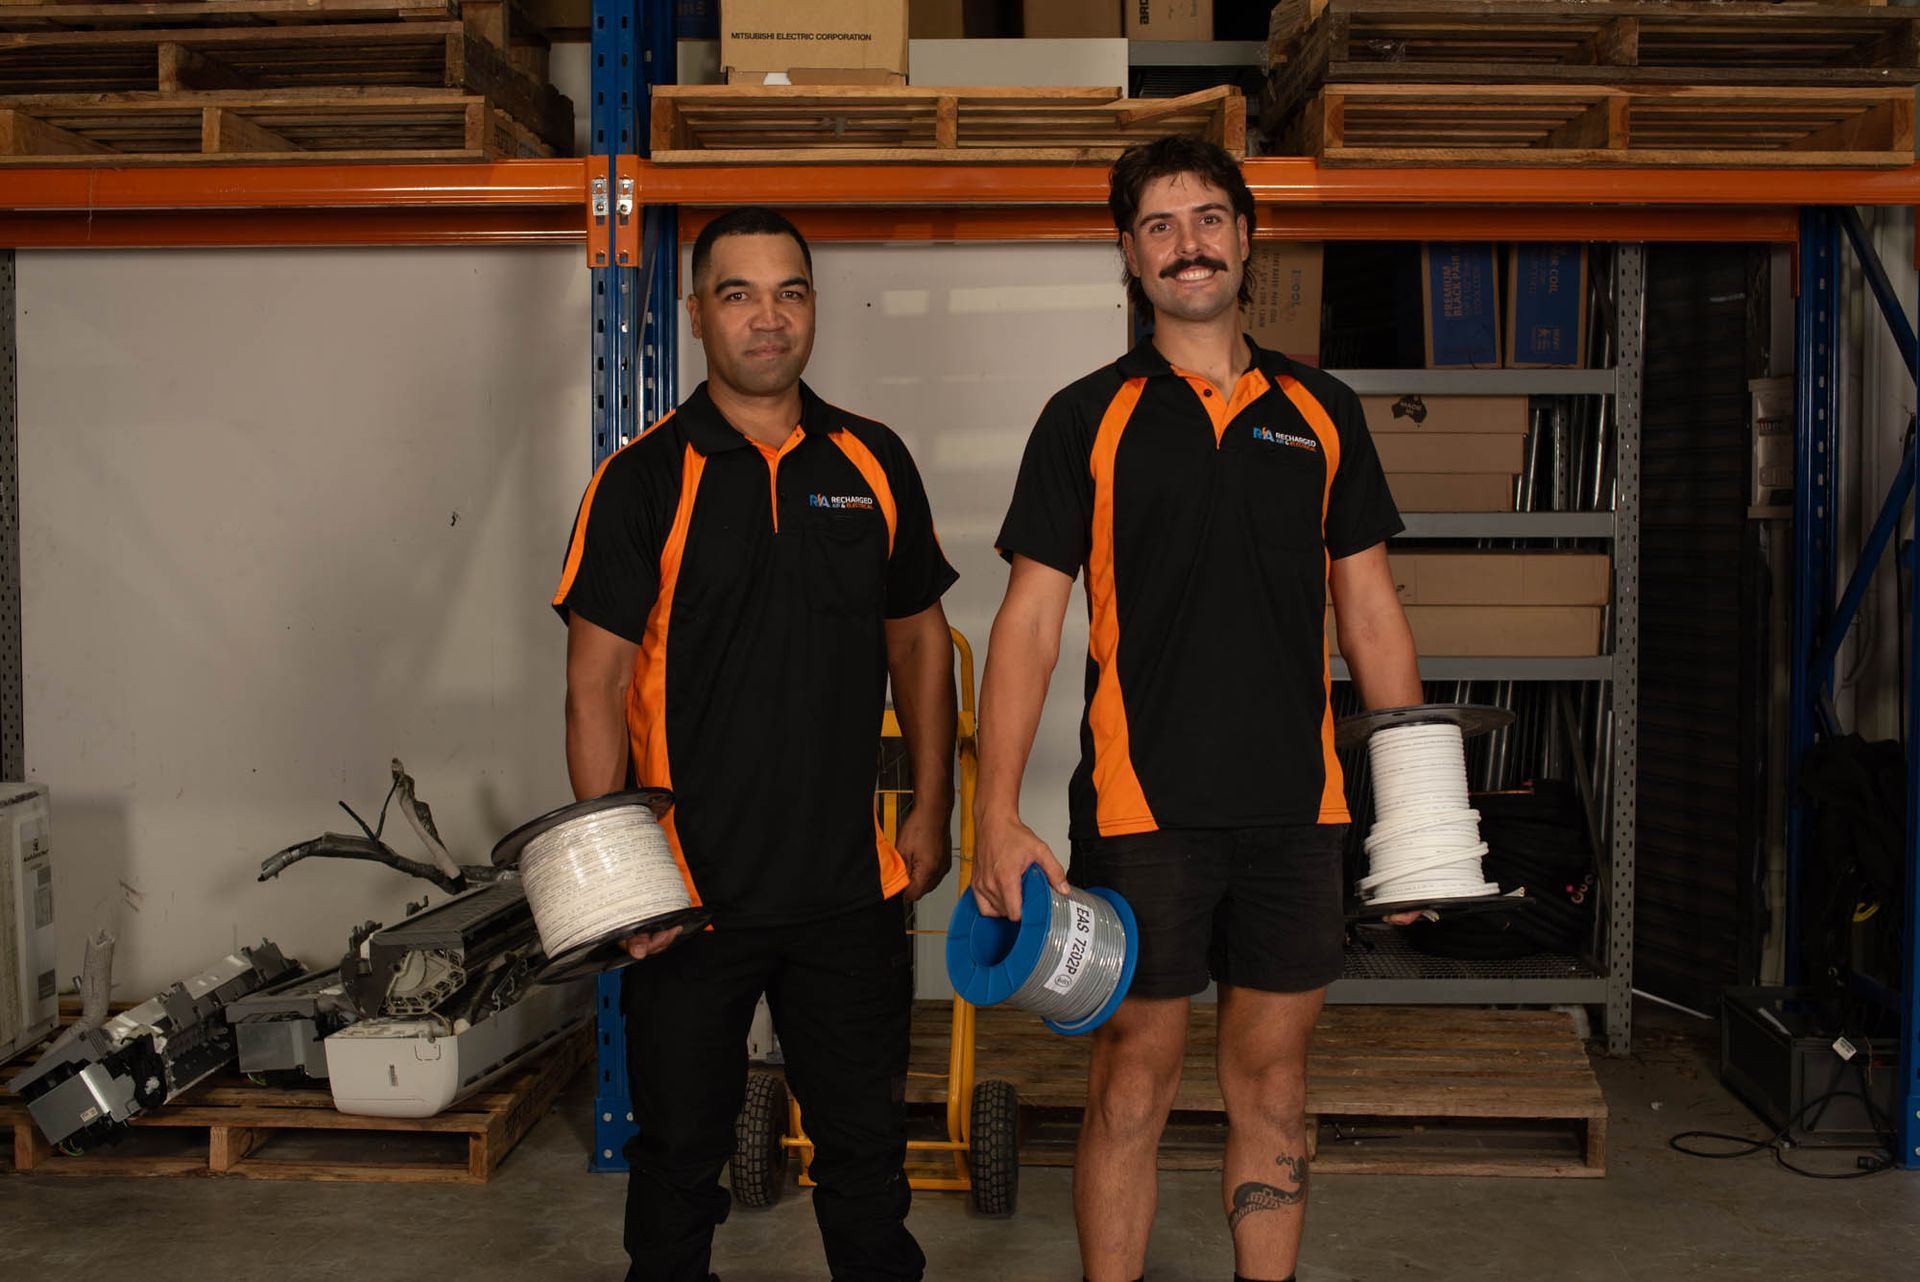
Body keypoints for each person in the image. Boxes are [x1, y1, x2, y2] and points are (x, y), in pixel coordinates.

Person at [971, 136, 1424, 1282]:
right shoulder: (1090, 416)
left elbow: (1370, 610)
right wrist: (994, 813)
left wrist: (1421, 825)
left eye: (1210, 218)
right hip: (1144, 813)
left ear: (1247, 236)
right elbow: (1028, 622)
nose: (1189, 245)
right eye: (1161, 226)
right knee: (1134, 1081)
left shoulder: (1321, 410)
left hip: (1296, 811)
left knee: (1273, 1084)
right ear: (1128, 252)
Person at [554, 206, 958, 1282]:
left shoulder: (872, 460)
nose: (767, 318)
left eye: (790, 292)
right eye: (739, 294)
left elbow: (920, 643)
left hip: (848, 890)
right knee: (680, 1163)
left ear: (813, 308)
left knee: (868, 1164)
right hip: (689, 899)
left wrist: (931, 805)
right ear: (696, 316)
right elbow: (591, 689)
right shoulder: (641, 480)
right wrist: (618, 891)